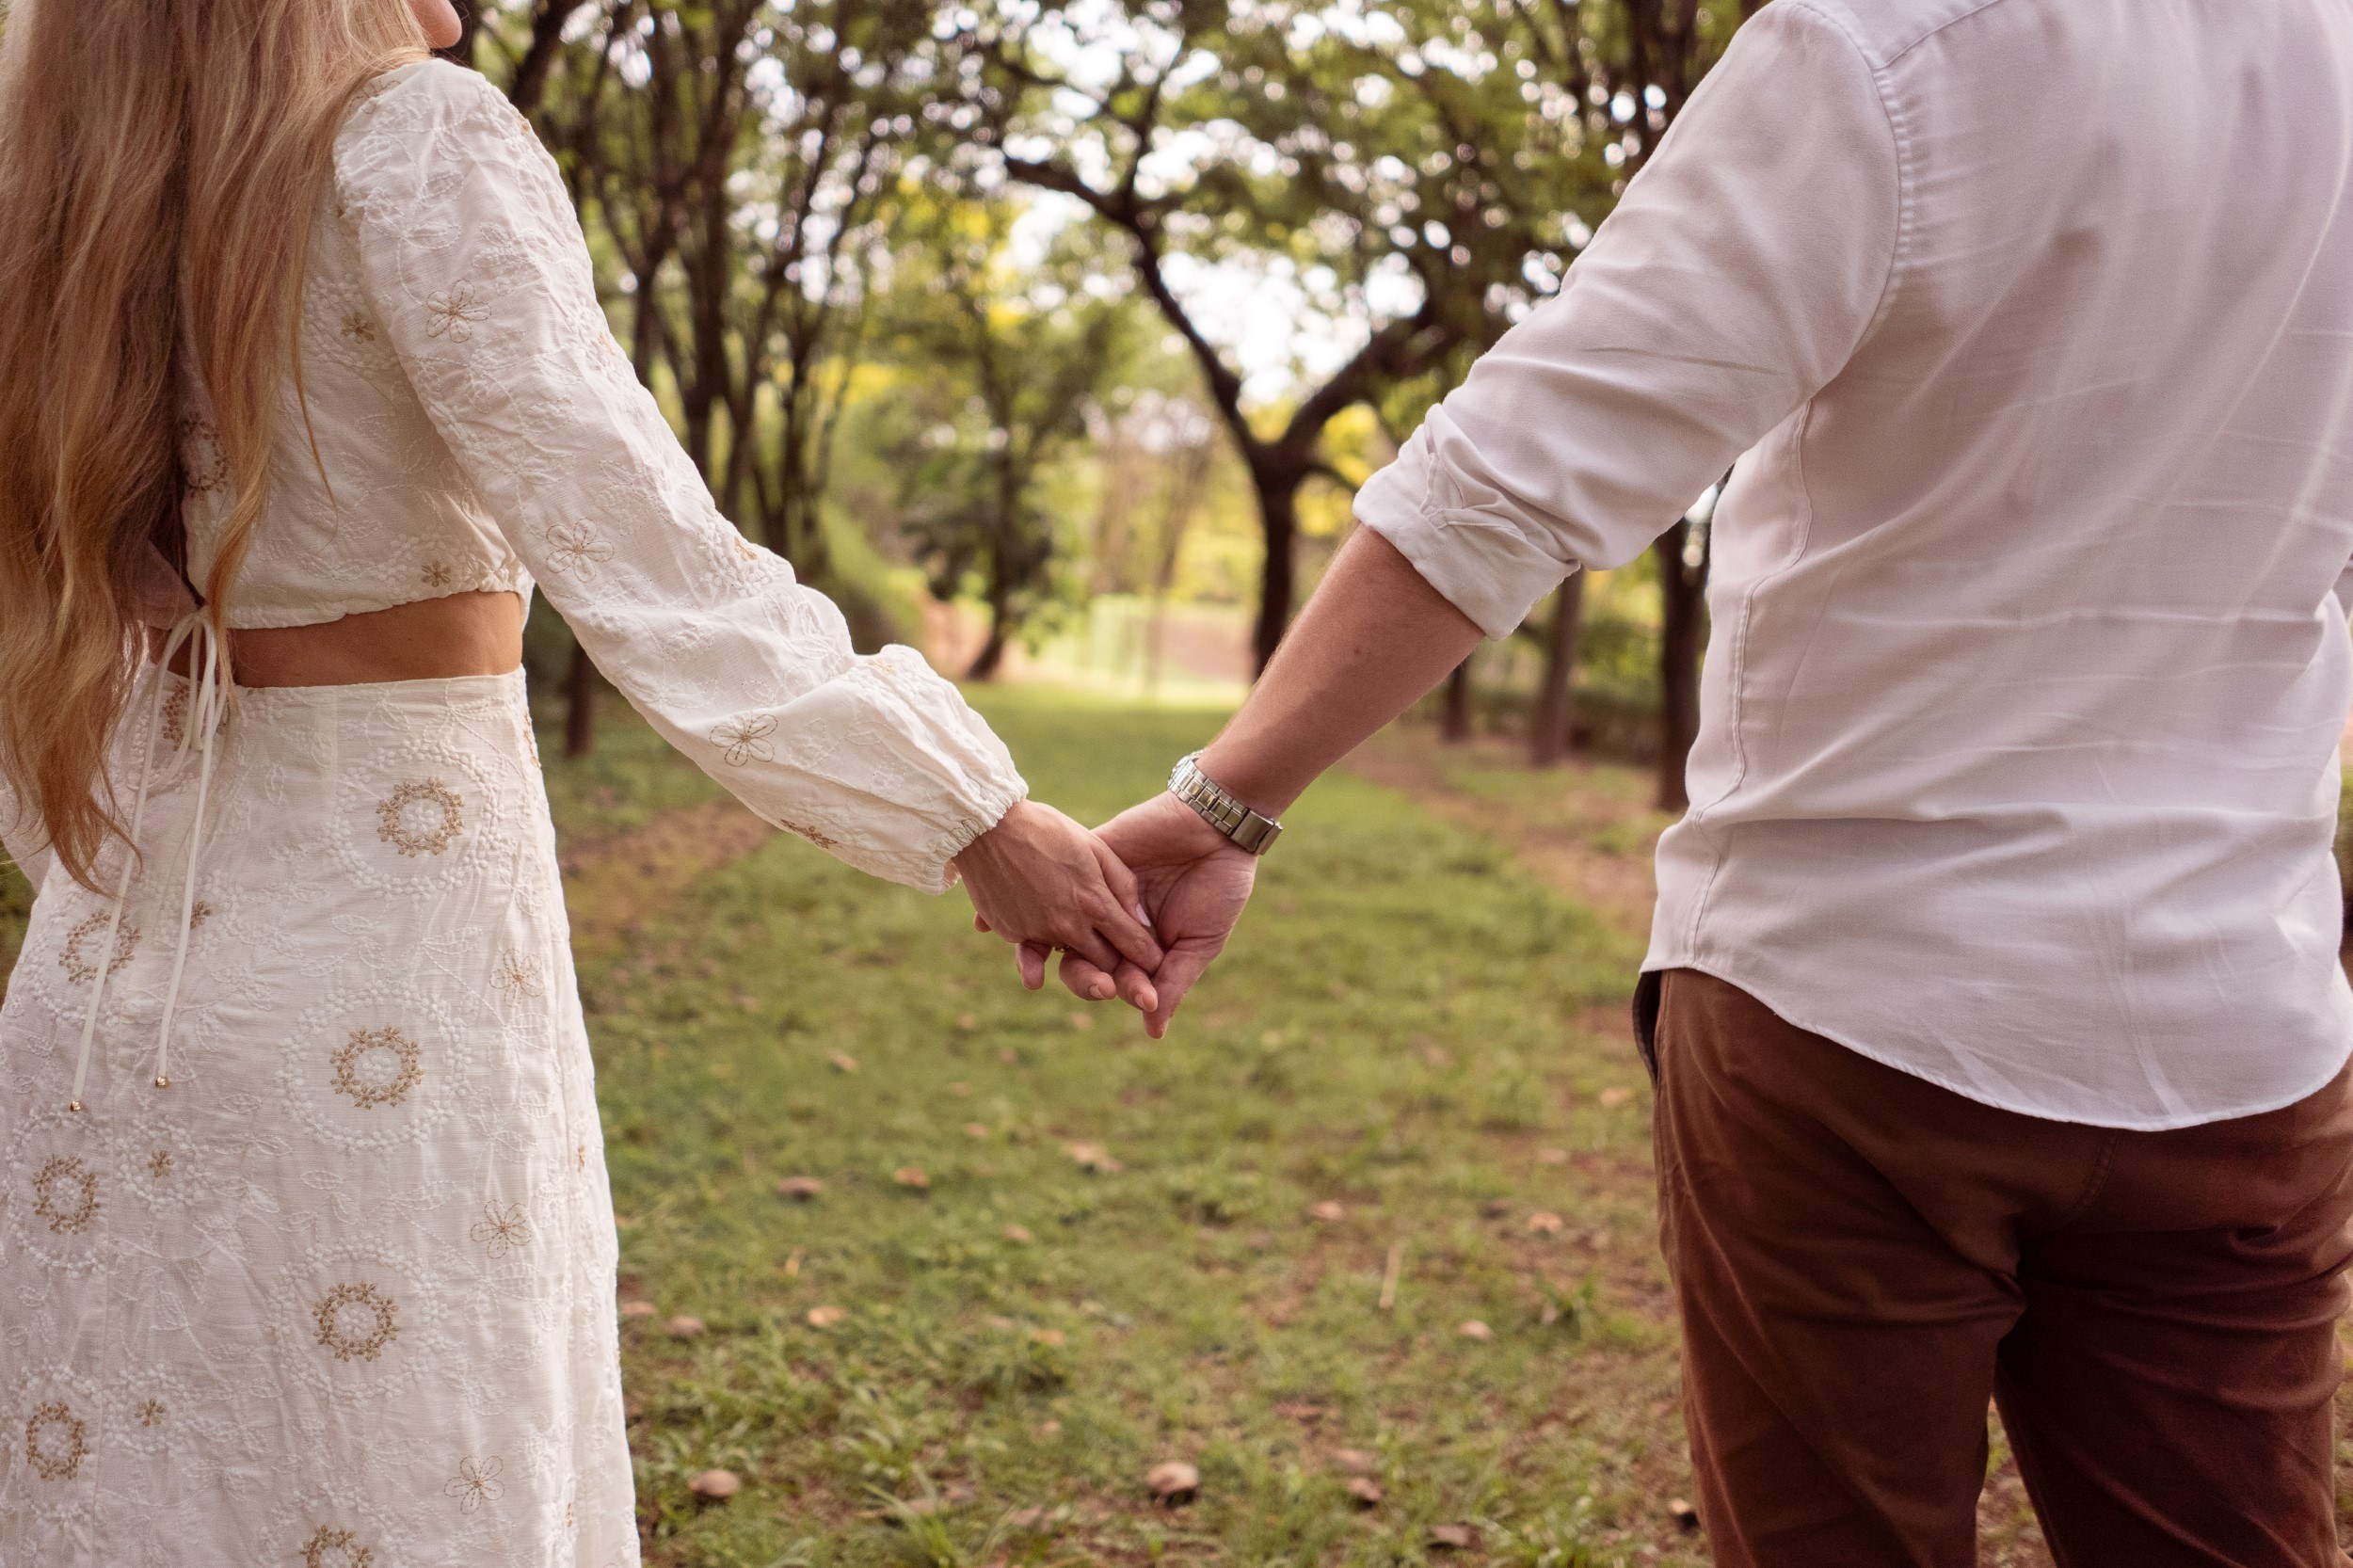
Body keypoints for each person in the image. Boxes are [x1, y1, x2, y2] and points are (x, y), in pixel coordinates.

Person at [1071, 1, 2353, 1561]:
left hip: (1857, 1020)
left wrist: (1225, 801)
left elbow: (1519, 467)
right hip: (2244, 1031)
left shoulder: (1887, 46)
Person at [0, 0, 1159, 1560]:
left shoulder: (63, 188)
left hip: (97, 971)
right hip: (382, 967)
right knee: (404, 1470)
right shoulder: (408, 141)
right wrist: (969, 814)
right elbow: (640, 546)